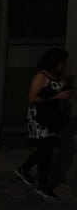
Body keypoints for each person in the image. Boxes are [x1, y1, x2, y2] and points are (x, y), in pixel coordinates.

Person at [14, 47, 71, 199]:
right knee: (46, 150)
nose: (63, 66)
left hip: (51, 116)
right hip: (39, 117)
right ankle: (42, 184)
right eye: (61, 62)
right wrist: (56, 96)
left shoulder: (56, 76)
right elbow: (32, 97)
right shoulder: (41, 76)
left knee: (45, 148)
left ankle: (24, 169)